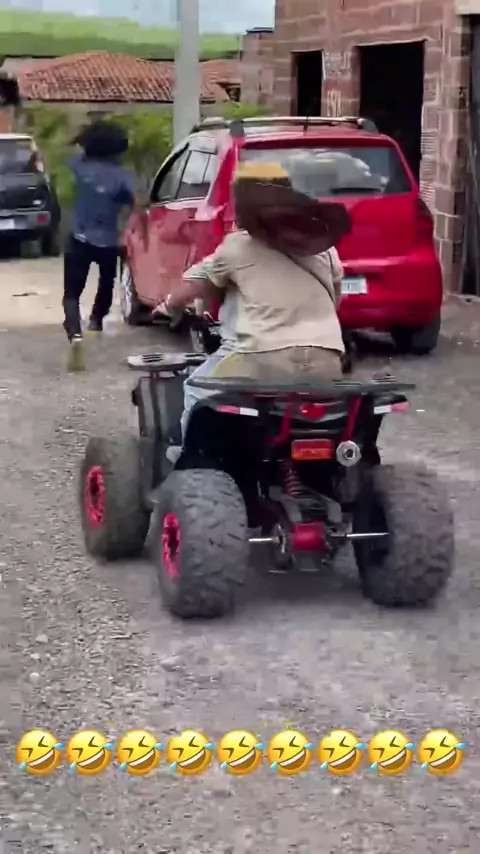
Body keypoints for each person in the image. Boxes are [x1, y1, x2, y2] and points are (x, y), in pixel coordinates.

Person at [155, 160, 351, 451]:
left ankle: (188, 461)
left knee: (197, 387)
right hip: (328, 360)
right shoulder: (324, 250)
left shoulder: (237, 247)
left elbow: (193, 285)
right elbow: (336, 300)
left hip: (262, 359)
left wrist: (169, 307)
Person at [63, 121, 136, 371]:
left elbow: (70, 154)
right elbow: (136, 202)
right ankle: (96, 321)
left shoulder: (78, 165)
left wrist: (79, 139)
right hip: (109, 241)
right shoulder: (122, 175)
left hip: (79, 237)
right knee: (106, 284)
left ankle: (75, 333)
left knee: (72, 293)